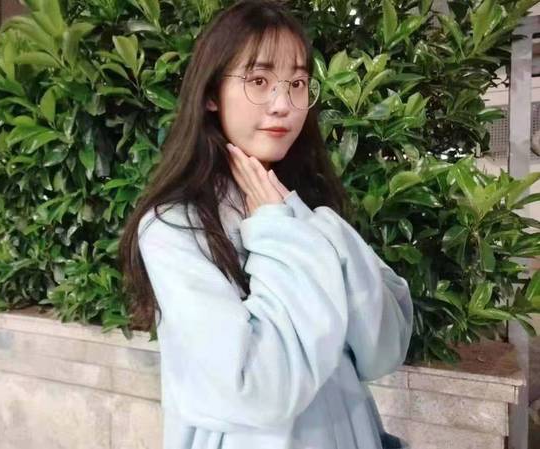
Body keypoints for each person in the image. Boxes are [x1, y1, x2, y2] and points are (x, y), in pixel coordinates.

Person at [119, 1, 413, 448]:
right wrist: (282, 236)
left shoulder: (309, 207)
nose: (283, 105)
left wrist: (312, 227)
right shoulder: (174, 227)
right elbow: (253, 387)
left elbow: (383, 350)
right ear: (211, 94)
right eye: (259, 81)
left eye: (297, 84)